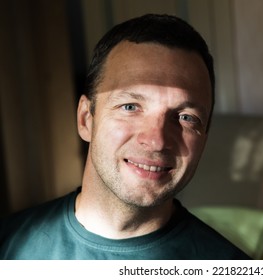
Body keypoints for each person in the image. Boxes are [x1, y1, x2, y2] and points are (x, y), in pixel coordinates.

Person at [0, 14, 250, 260]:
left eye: (186, 117)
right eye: (130, 106)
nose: (157, 141)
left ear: (204, 137)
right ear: (86, 119)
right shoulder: (9, 246)